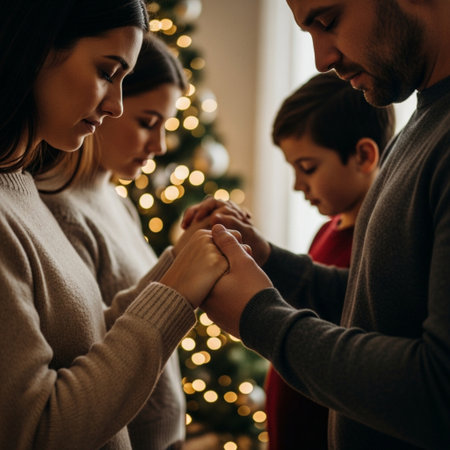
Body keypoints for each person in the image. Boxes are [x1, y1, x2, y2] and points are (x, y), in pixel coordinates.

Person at [185, 0, 450, 448]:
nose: (321, 59)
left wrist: (259, 318)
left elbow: (438, 392)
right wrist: (270, 261)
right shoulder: (424, 121)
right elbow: (380, 308)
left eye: (328, 21)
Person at [0, 2, 229, 449]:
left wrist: (178, 267)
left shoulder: (19, 188)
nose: (115, 105)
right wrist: (176, 294)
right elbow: (37, 429)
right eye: (107, 72)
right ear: (39, 49)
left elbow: (88, 346)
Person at [264, 72, 395, 450]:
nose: (297, 185)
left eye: (307, 168)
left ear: (364, 155)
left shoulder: (375, 244)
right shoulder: (329, 230)